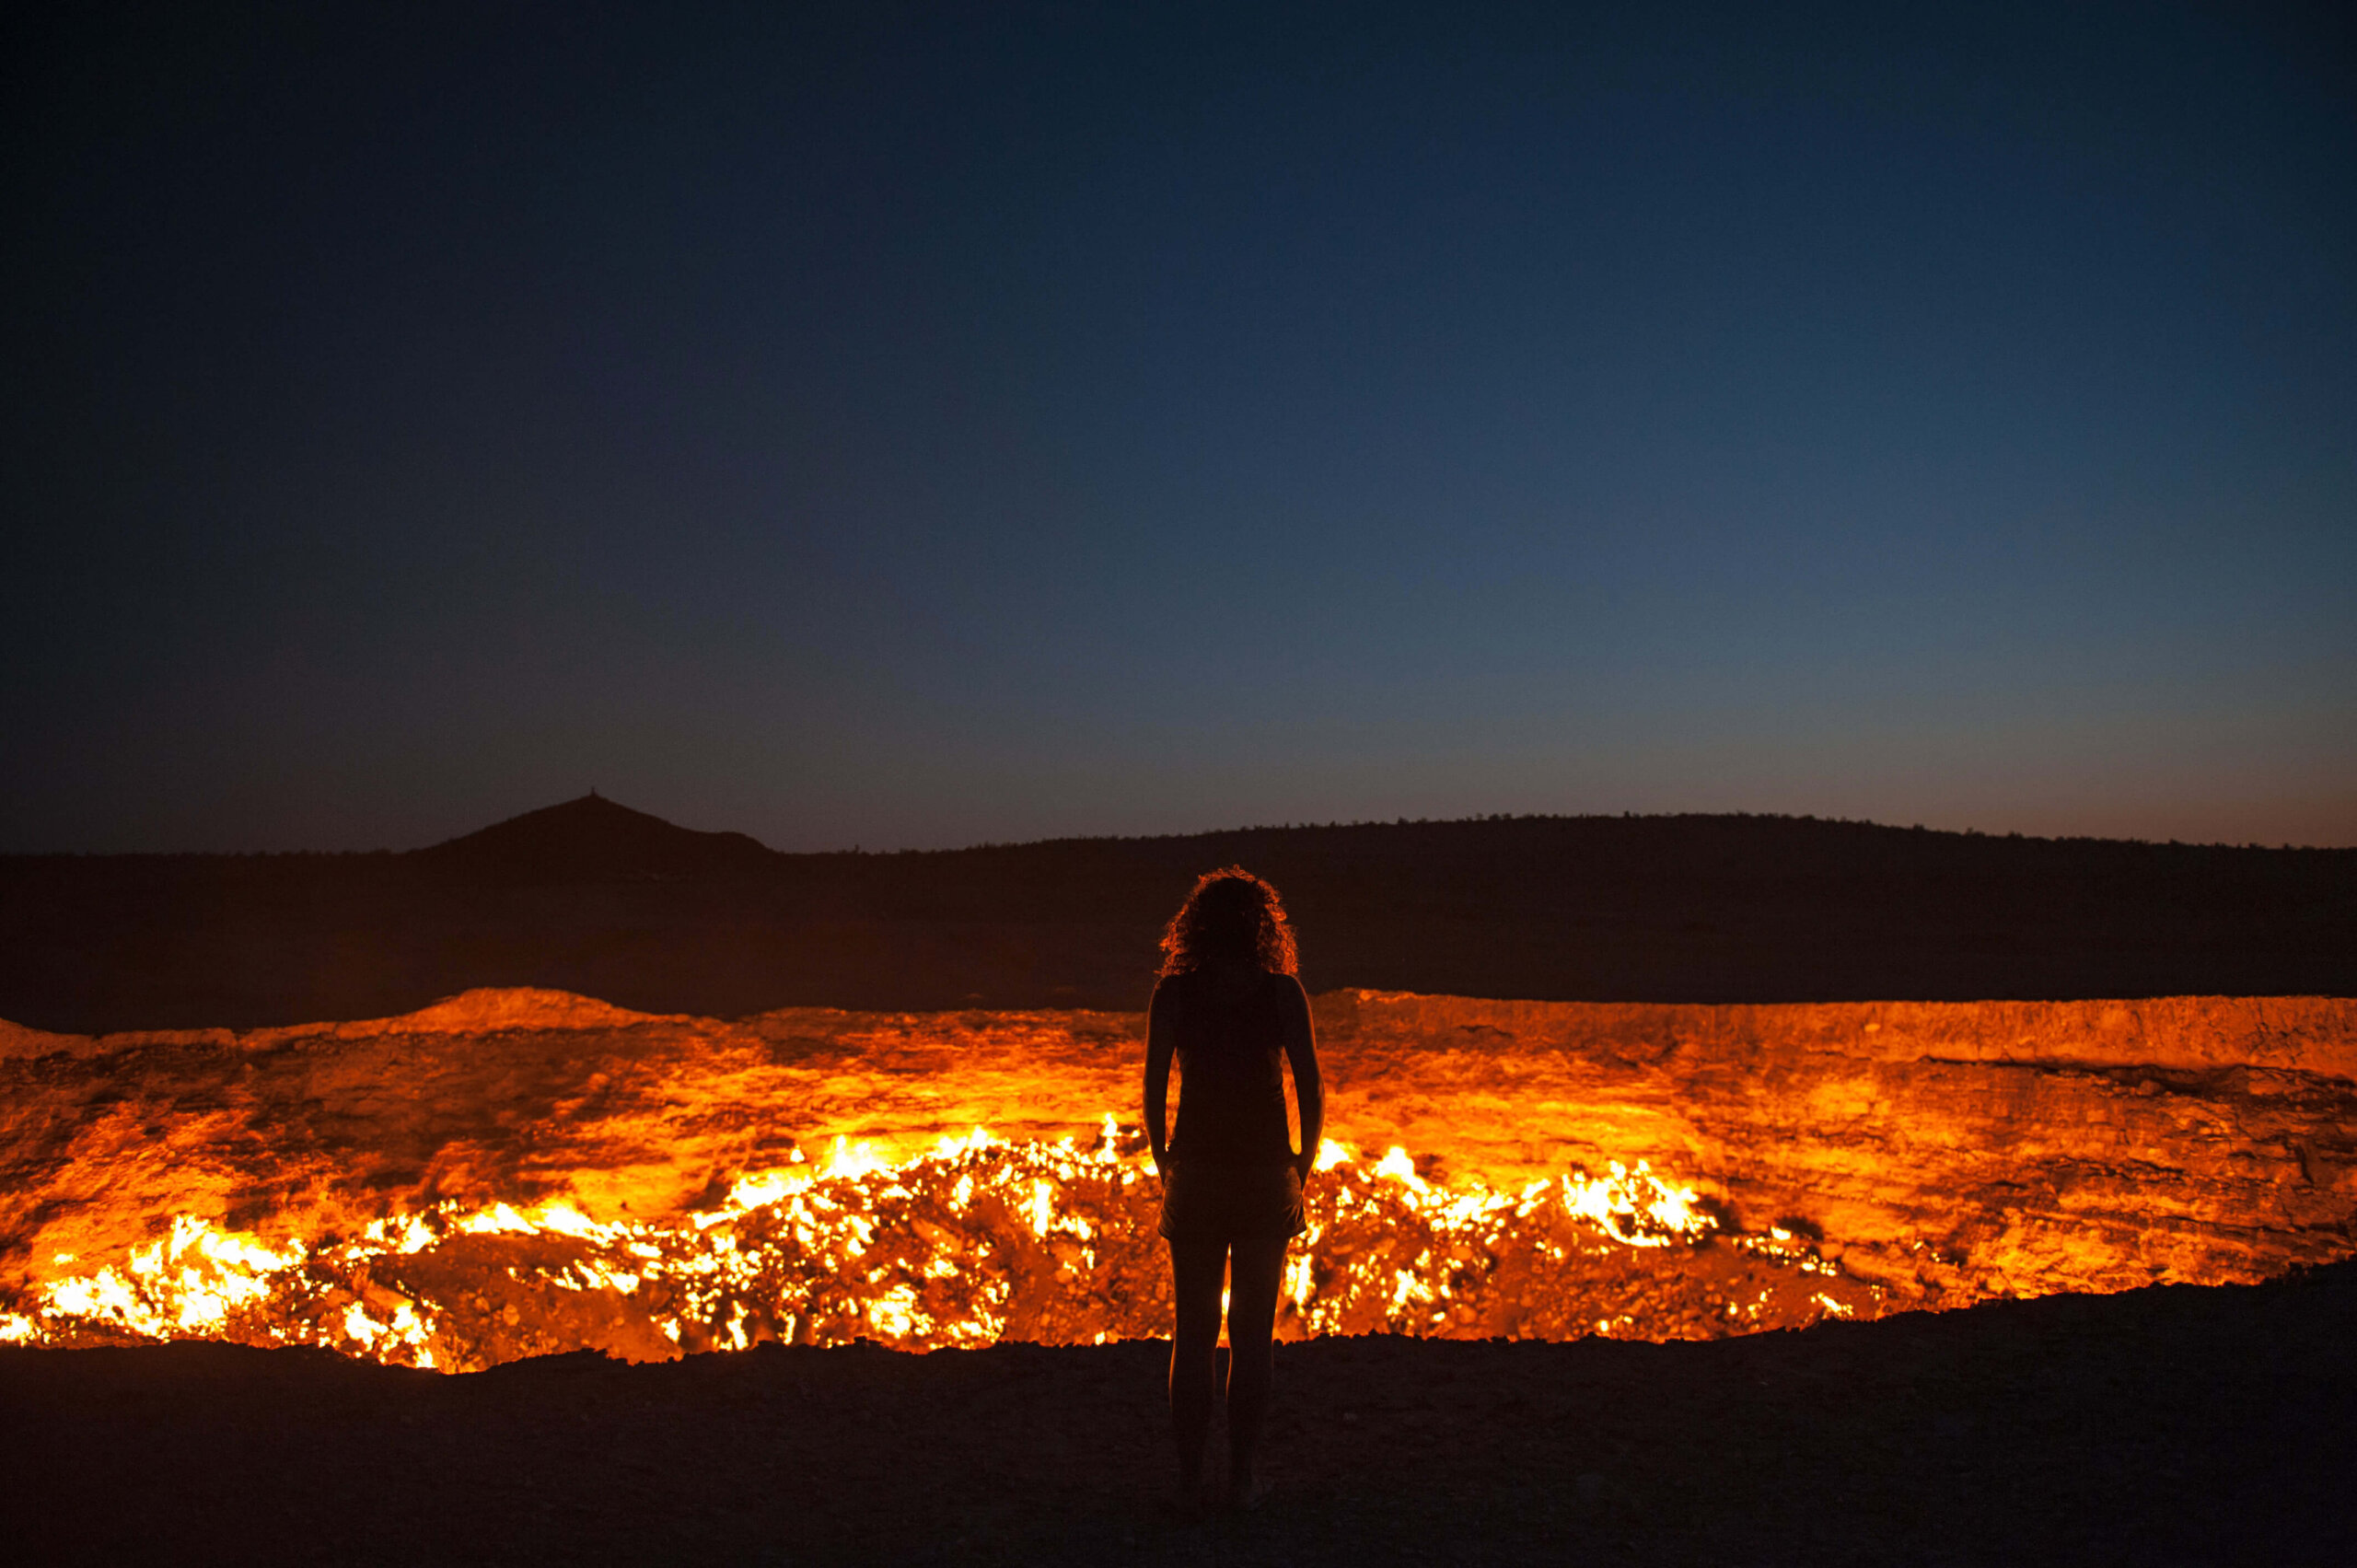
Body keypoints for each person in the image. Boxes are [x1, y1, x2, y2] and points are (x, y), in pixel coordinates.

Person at [1143, 865, 1323, 1514]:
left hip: (1196, 1173)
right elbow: (1309, 1086)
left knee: (1191, 1331)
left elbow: (1152, 1092)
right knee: (1252, 1333)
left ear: (1195, 927)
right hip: (1262, 1173)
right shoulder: (1282, 994)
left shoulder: (1175, 995)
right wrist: (1300, 1163)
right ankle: (1242, 1479)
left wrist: (1168, 1161)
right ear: (1262, 927)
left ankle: (1190, 1483)